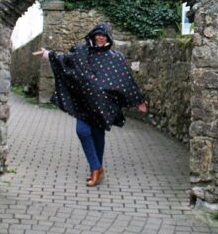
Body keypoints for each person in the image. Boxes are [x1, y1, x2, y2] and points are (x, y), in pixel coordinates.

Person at [32, 21, 147, 187]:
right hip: (83, 103)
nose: (100, 38)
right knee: (82, 131)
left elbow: (126, 80)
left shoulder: (115, 58)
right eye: (98, 35)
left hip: (103, 105)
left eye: (104, 35)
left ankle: (97, 171)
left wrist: (138, 100)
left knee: (98, 136)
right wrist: (47, 54)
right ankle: (96, 168)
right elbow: (65, 60)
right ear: (93, 35)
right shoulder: (81, 51)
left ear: (109, 37)